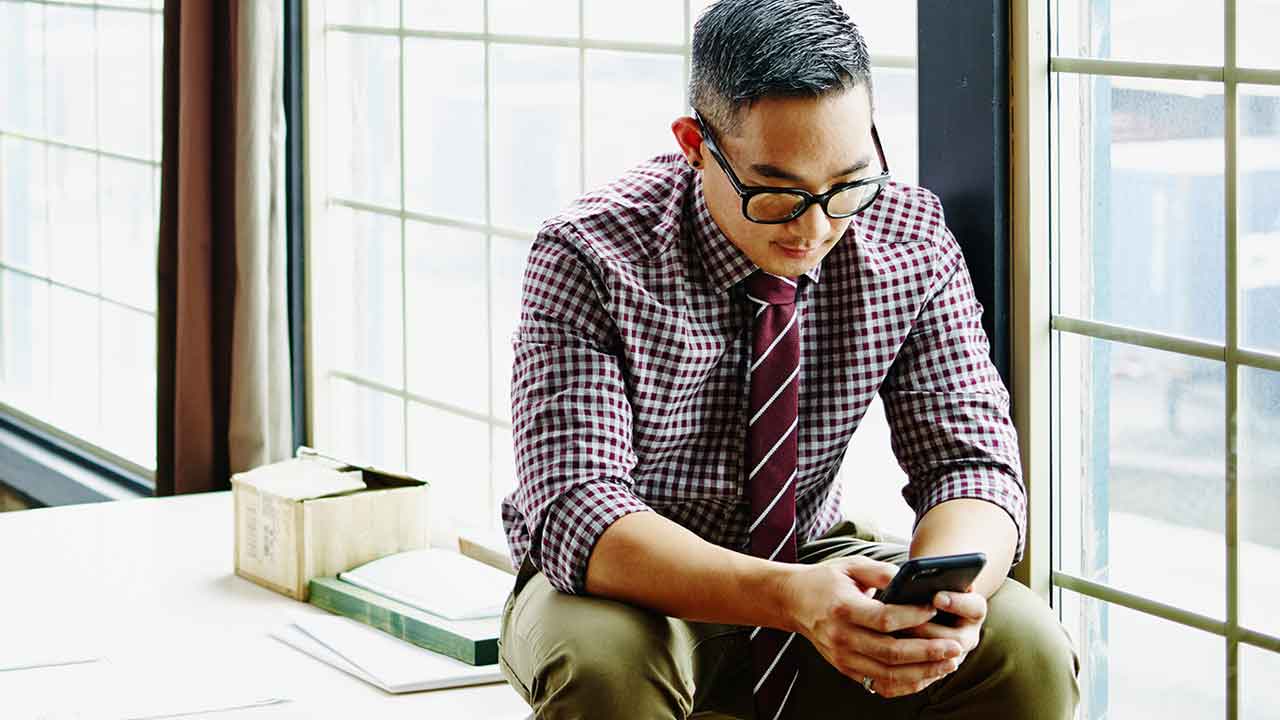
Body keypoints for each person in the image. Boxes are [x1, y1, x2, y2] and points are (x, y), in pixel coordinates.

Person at [498, 1, 1080, 717]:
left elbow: (973, 464)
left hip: (813, 552)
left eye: (848, 182)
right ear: (695, 144)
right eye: (776, 192)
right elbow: (577, 509)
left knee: (1027, 647)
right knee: (603, 669)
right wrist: (787, 598)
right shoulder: (589, 254)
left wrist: (940, 600)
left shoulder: (909, 235)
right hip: (633, 582)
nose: (817, 227)